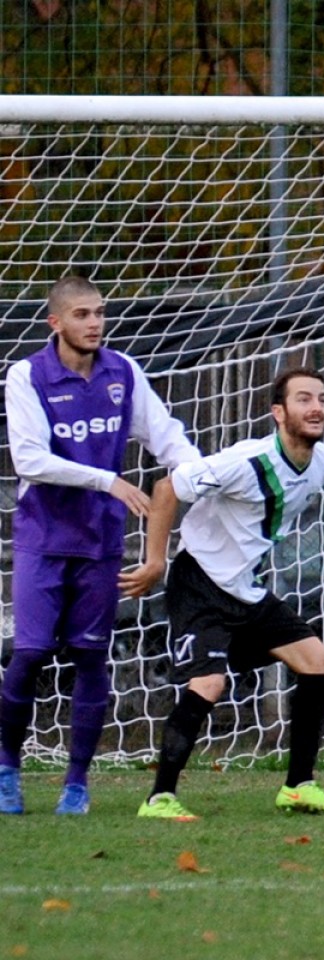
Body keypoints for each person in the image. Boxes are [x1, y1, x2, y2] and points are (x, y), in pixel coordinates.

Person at [1, 276, 202, 816]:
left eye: (100, 313)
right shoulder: (27, 376)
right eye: (83, 314)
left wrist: (198, 475)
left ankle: (76, 784)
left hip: (100, 541)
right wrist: (106, 480)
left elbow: (167, 437)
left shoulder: (123, 372)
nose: (95, 323)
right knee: (31, 652)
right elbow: (29, 460)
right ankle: (6, 768)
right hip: (43, 537)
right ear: (56, 322)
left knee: (92, 654)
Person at [134, 367, 324, 820]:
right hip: (199, 584)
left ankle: (298, 786)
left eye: (322, 400)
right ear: (278, 412)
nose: (316, 408)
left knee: (321, 664)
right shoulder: (246, 461)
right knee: (209, 684)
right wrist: (155, 561)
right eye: (303, 399)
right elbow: (167, 487)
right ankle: (159, 798)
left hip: (245, 590)